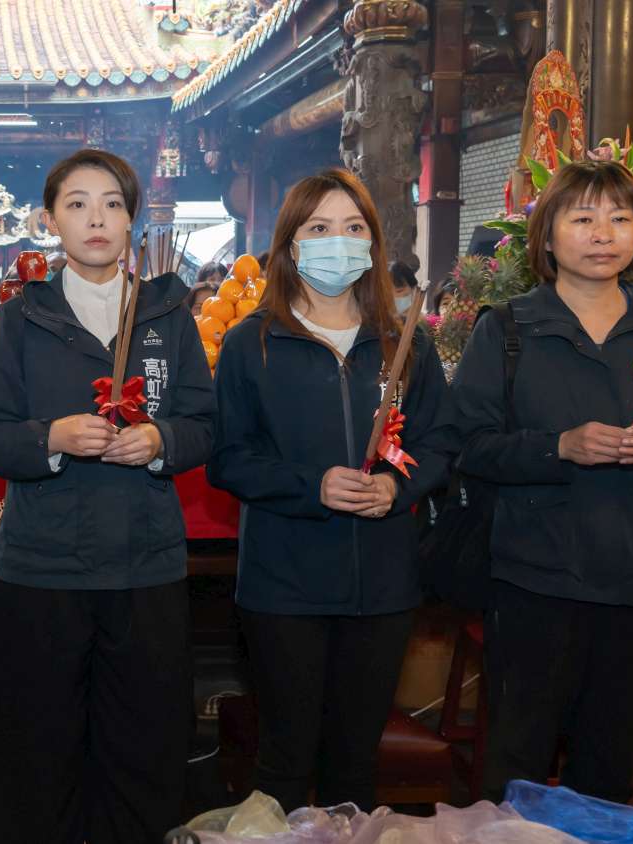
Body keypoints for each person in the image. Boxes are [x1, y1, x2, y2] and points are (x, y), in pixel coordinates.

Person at [443, 160, 633, 804]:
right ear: (547, 237)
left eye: (619, 218)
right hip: (533, 578)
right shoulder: (509, 329)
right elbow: (465, 443)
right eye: (582, 218)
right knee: (517, 764)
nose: (603, 233)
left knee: (608, 767)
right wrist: (559, 447)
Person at [0, 148, 215, 842]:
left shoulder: (168, 314)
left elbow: (206, 425)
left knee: (142, 753)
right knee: (38, 756)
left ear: (132, 219)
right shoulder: (20, 319)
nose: (96, 219)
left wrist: (162, 440)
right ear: (51, 221)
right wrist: (50, 437)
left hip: (145, 567)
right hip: (41, 569)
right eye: (76, 205)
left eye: (111, 204)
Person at [206, 168, 449, 813]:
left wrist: (397, 487)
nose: (337, 241)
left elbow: (442, 442)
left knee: (355, 761)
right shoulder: (251, 343)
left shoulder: (405, 343)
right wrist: (310, 486)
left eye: (352, 227)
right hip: (284, 585)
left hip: (384, 585)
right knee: (285, 759)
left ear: (372, 243)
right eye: (318, 228)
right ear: (290, 245)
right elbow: (227, 459)